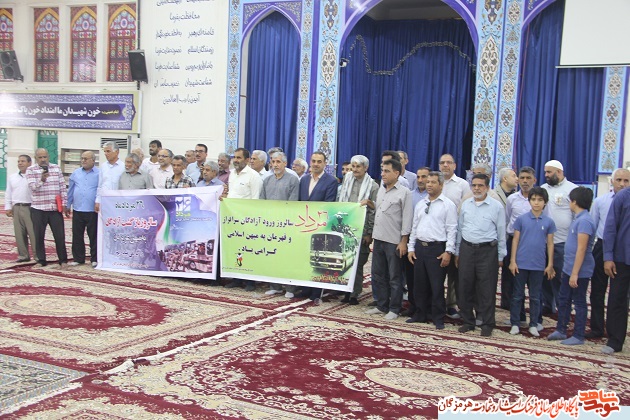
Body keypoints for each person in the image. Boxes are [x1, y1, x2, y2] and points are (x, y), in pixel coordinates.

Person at [455, 174, 506, 337]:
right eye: (474, 185)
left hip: (487, 251)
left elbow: (501, 232)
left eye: (480, 185)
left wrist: (501, 256)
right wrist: (457, 252)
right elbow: (460, 229)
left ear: (487, 188)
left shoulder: (496, 207)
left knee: (487, 288)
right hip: (467, 249)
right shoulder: (466, 205)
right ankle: (468, 321)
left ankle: (487, 323)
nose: (476, 189)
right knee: (465, 286)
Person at [406, 171, 457, 329]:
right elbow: (414, 227)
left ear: (441, 185)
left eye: (433, 182)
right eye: (428, 182)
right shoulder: (421, 204)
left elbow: (452, 229)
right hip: (420, 248)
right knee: (419, 284)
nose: (429, 185)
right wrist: (411, 248)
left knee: (436, 286)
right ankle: (420, 314)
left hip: (437, 249)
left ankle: (438, 317)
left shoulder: (448, 205)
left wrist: (448, 251)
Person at [365, 159, 412, 320]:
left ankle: (394, 308)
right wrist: (369, 203)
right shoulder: (381, 190)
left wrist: (404, 241)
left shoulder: (405, 193)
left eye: (386, 171)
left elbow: (407, 219)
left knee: (395, 277)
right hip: (378, 238)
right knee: (378, 274)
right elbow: (379, 209)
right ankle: (382, 305)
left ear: (397, 173)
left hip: (394, 241)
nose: (383, 174)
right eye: (382, 171)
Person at [548, 187, 595, 345]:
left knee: (579, 302)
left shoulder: (585, 221)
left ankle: (578, 335)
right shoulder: (578, 219)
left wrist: (575, 273)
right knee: (564, 299)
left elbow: (581, 249)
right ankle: (561, 329)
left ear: (575, 202)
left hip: (579, 270)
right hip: (569, 268)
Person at [587, 168, 630, 339]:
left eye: (626, 181)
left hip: (622, 250)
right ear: (612, 181)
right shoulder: (601, 201)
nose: (622, 184)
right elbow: (596, 227)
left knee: (619, 294)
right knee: (599, 290)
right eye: (619, 180)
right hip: (604, 247)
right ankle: (598, 328)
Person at [508, 187, 556, 337]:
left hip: (538, 264)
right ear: (529, 201)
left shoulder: (549, 222)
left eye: (540, 200)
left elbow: (550, 244)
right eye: (534, 199)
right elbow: (515, 240)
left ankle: (534, 323)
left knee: (535, 296)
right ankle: (515, 323)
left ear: (545, 202)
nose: (536, 203)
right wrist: (513, 261)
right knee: (517, 295)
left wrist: (550, 264)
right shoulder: (521, 219)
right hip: (521, 263)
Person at [337, 155, 379, 305]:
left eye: (358, 167)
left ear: (365, 168)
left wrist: (369, 232)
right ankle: (345, 291)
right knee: (345, 261)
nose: (354, 169)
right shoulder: (346, 181)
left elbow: (373, 211)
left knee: (358, 263)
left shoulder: (373, 186)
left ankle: (355, 293)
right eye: (353, 166)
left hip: (362, 230)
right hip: (345, 228)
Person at [297, 151, 338, 302]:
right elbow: (300, 202)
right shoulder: (304, 179)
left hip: (319, 226)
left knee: (319, 259)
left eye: (319, 161)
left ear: (325, 164)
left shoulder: (331, 181)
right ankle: (305, 288)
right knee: (304, 258)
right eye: (313, 161)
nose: (315, 164)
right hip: (303, 225)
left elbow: (329, 204)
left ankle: (316, 290)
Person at [260, 151, 300, 297]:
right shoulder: (267, 180)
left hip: (286, 225)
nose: (275, 165)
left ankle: (290, 288)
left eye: (278, 162)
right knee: (272, 256)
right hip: (269, 225)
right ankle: (275, 286)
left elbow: (293, 203)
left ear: (285, 163)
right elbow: (262, 202)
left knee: (287, 257)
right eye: (273, 162)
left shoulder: (293, 180)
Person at [541, 160, 577, 314]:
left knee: (561, 277)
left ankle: (563, 306)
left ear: (559, 172)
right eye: (545, 172)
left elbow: (576, 216)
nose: (546, 175)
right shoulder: (542, 189)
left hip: (563, 241)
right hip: (543, 241)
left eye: (549, 172)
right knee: (544, 276)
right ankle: (547, 304)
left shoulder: (572, 189)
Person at [224, 148, 263, 291]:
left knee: (249, 250)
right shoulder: (232, 174)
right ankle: (237, 277)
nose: (236, 160)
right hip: (232, 220)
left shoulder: (253, 176)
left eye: (239, 157)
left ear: (247, 160)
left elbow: (256, 199)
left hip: (247, 220)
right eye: (234, 157)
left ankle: (250, 281)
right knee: (237, 249)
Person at [439, 153, 471, 319]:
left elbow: (466, 209)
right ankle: (436, 302)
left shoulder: (462, 185)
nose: (445, 165)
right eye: (442, 163)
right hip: (436, 234)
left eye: (448, 163)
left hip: (454, 233)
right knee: (436, 272)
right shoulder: (435, 181)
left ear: (455, 166)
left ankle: (451, 304)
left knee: (453, 273)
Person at [26, 148, 68, 267]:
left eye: (45, 157)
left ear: (48, 157)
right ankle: (41, 260)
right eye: (40, 157)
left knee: (59, 236)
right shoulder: (31, 170)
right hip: (38, 208)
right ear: (36, 158)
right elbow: (32, 187)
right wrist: (42, 180)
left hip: (54, 209)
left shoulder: (56, 168)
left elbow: (62, 187)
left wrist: (64, 203)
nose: (43, 159)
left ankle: (63, 260)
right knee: (39, 236)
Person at [504, 166, 537, 314]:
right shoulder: (512, 199)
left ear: (534, 180)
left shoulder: (539, 199)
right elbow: (507, 220)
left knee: (532, 280)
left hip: (532, 244)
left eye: (528, 178)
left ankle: (536, 316)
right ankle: (517, 315)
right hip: (513, 242)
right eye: (522, 178)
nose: (525, 181)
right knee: (513, 279)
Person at [602, 185, 630, 354]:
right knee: (617, 299)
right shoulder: (623, 197)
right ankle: (615, 340)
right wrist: (608, 257)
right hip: (622, 258)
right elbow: (610, 228)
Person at [65, 151, 99, 267]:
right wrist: (68, 204)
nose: (83, 161)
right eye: (82, 158)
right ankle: (79, 258)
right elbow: (70, 190)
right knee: (77, 235)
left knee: (93, 235)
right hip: (78, 209)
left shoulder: (99, 174)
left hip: (92, 210)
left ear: (93, 160)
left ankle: (95, 258)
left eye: (86, 159)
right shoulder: (76, 173)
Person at [5, 154, 38, 263]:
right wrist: (8, 207)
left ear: (29, 163)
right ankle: (23, 255)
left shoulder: (34, 177)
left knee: (33, 233)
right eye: (19, 161)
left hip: (30, 207)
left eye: (23, 161)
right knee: (19, 233)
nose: (20, 163)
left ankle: (37, 256)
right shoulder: (12, 177)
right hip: (17, 207)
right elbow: (8, 193)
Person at [95, 141, 125, 212]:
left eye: (108, 151)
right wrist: (98, 200)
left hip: (118, 201)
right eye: (105, 151)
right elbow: (100, 185)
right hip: (104, 200)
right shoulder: (103, 166)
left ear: (116, 152)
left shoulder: (123, 167)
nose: (106, 154)